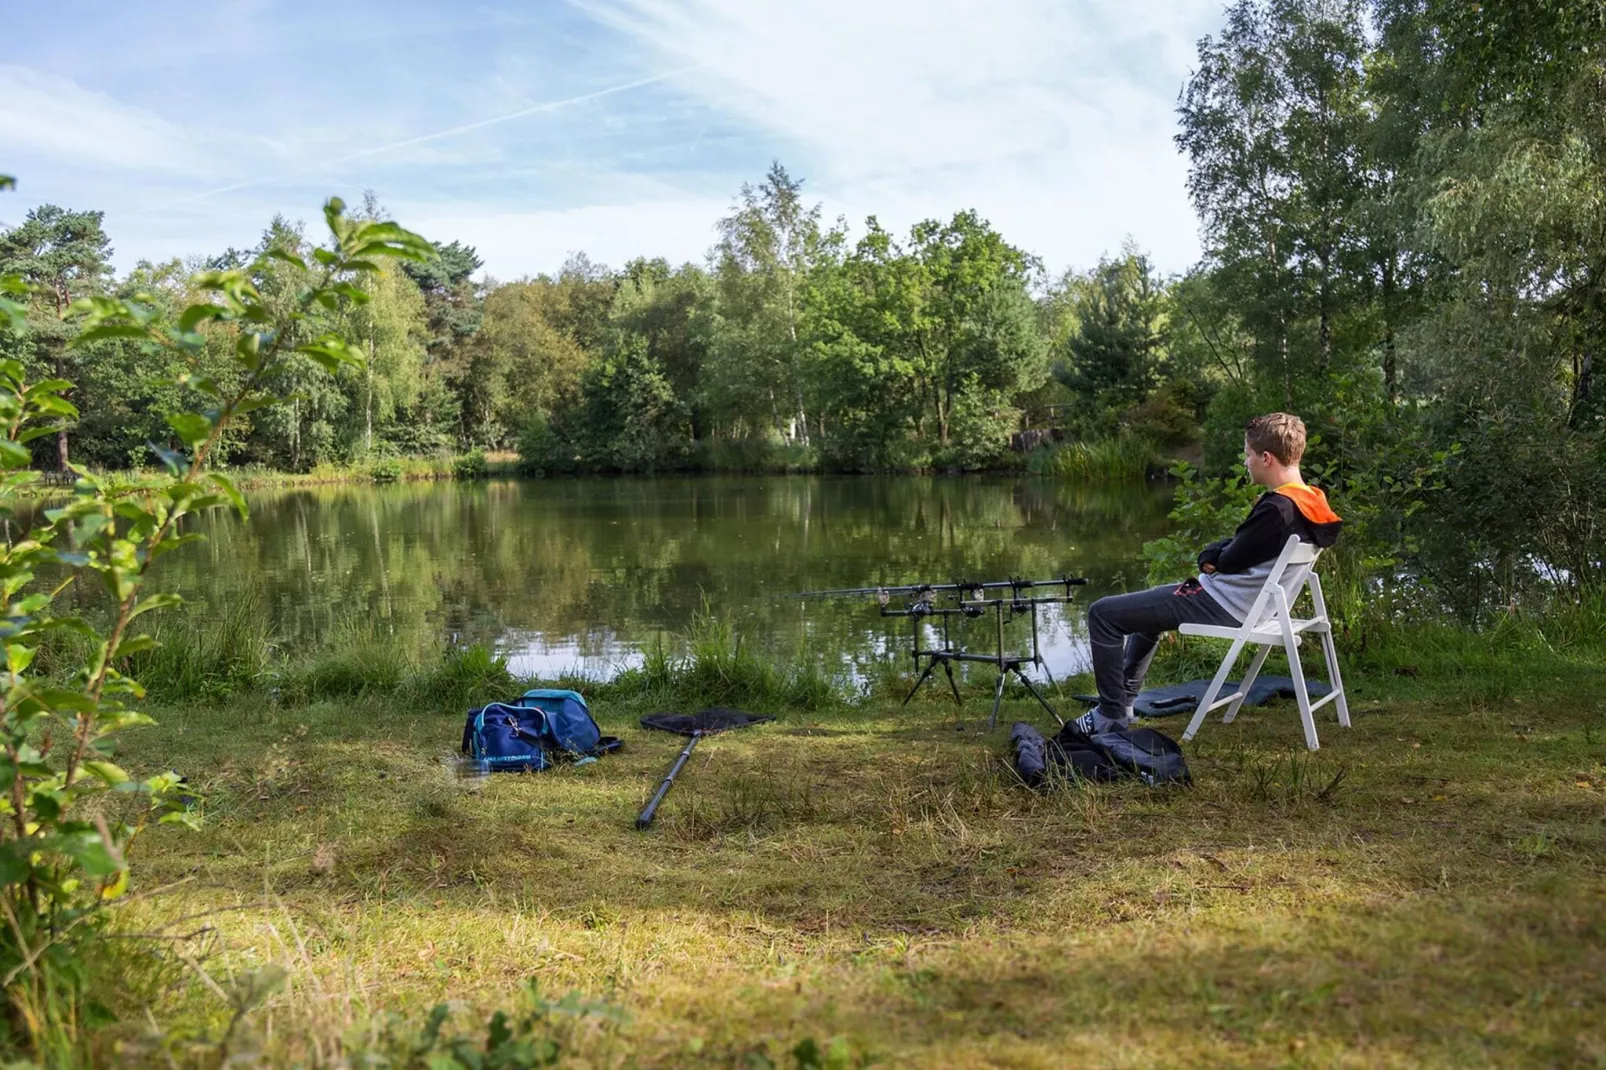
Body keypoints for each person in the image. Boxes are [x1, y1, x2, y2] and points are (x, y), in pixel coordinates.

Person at [1071, 412, 1343, 735]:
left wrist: (1211, 555)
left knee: (1102, 613)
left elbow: (1229, 560)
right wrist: (1221, 553)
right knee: (1145, 615)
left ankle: (1110, 715)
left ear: (1267, 458)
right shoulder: (1311, 501)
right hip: (1255, 607)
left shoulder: (1277, 510)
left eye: (1249, 455)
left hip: (1223, 604)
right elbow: (1241, 547)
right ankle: (1124, 704)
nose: (1246, 462)